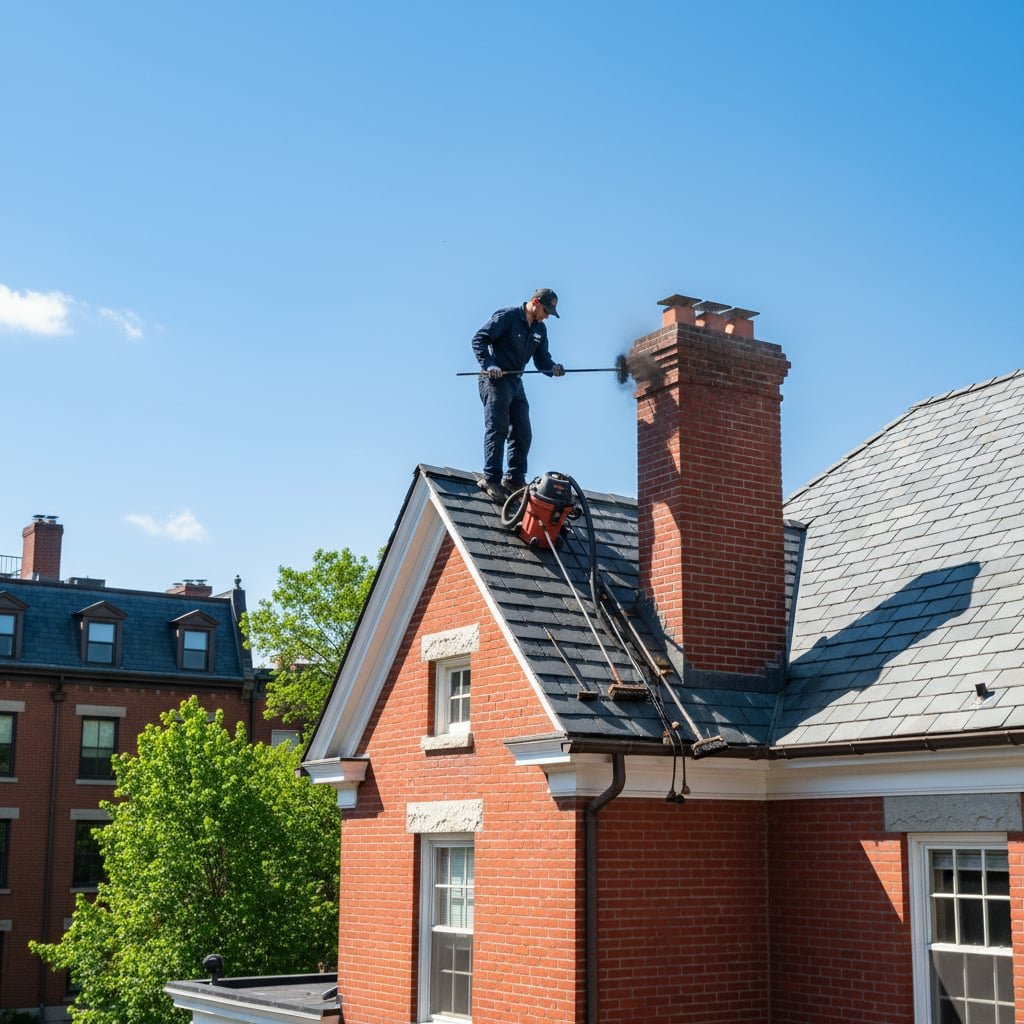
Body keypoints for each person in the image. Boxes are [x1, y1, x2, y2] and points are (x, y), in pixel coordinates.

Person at [471, 288, 565, 500]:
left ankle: (514, 480)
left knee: (523, 431)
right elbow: (479, 339)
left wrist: (553, 368)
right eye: (545, 310)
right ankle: (491, 479)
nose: (547, 316)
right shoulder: (507, 317)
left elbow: (542, 360)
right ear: (534, 302)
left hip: (515, 382)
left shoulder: (540, 329)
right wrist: (489, 364)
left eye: (550, 312)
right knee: (498, 427)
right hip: (495, 380)